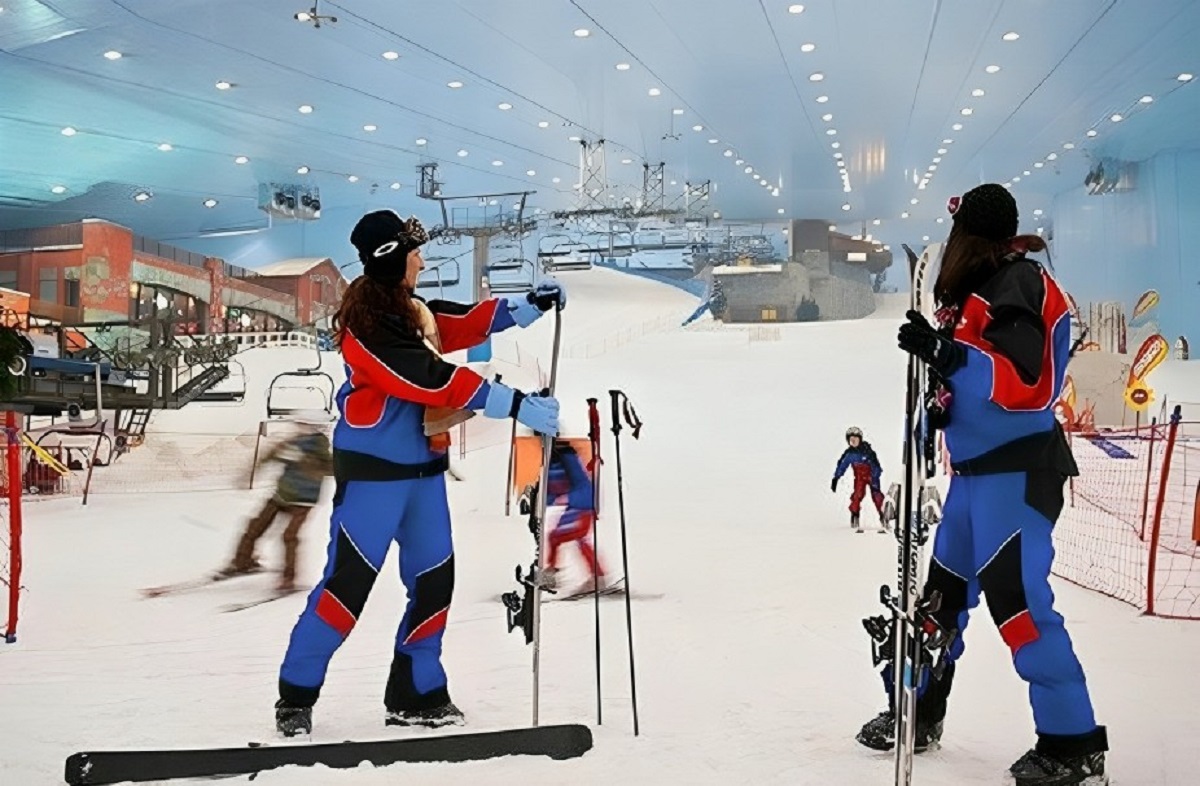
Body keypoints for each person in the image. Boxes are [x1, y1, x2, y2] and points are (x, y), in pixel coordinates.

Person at [274, 210, 564, 736]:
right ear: (391, 258)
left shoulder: (408, 311)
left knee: (434, 585)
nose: (423, 263)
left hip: (424, 474)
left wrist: (522, 309)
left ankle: (416, 692)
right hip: (375, 478)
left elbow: (451, 325)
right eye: (414, 254)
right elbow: (426, 377)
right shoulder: (367, 327)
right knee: (346, 590)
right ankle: (296, 693)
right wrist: (513, 402)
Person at [856, 184, 1106, 786]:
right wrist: (932, 406)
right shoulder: (976, 292)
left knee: (1019, 606)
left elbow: (1030, 383)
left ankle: (1072, 744)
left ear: (973, 234)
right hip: (971, 480)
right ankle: (919, 712)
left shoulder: (1020, 284)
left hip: (1015, 476)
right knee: (937, 605)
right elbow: (959, 391)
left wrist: (950, 357)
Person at [219, 411, 334, 593]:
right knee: (255, 527)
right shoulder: (293, 442)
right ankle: (242, 563)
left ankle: (289, 579)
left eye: (304, 424)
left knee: (289, 536)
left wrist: (305, 460)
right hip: (281, 495)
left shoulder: (320, 445)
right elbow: (269, 455)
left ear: (314, 426)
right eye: (299, 423)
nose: (299, 427)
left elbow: (330, 469)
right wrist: (249, 474)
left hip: (304, 500)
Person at [537, 440, 607, 595]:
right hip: (576, 506)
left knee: (558, 537)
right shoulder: (549, 462)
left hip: (582, 505)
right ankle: (597, 577)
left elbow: (580, 482)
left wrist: (568, 498)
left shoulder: (565, 457)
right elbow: (552, 491)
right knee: (570, 539)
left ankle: (553, 575)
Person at [831, 426, 885, 530]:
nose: (853, 442)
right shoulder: (849, 454)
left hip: (871, 476)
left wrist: (875, 476)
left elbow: (877, 466)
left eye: (855, 439)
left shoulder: (868, 451)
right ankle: (854, 516)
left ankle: (883, 516)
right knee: (857, 495)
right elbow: (842, 465)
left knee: (876, 496)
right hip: (860, 478)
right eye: (851, 440)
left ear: (860, 439)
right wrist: (836, 478)